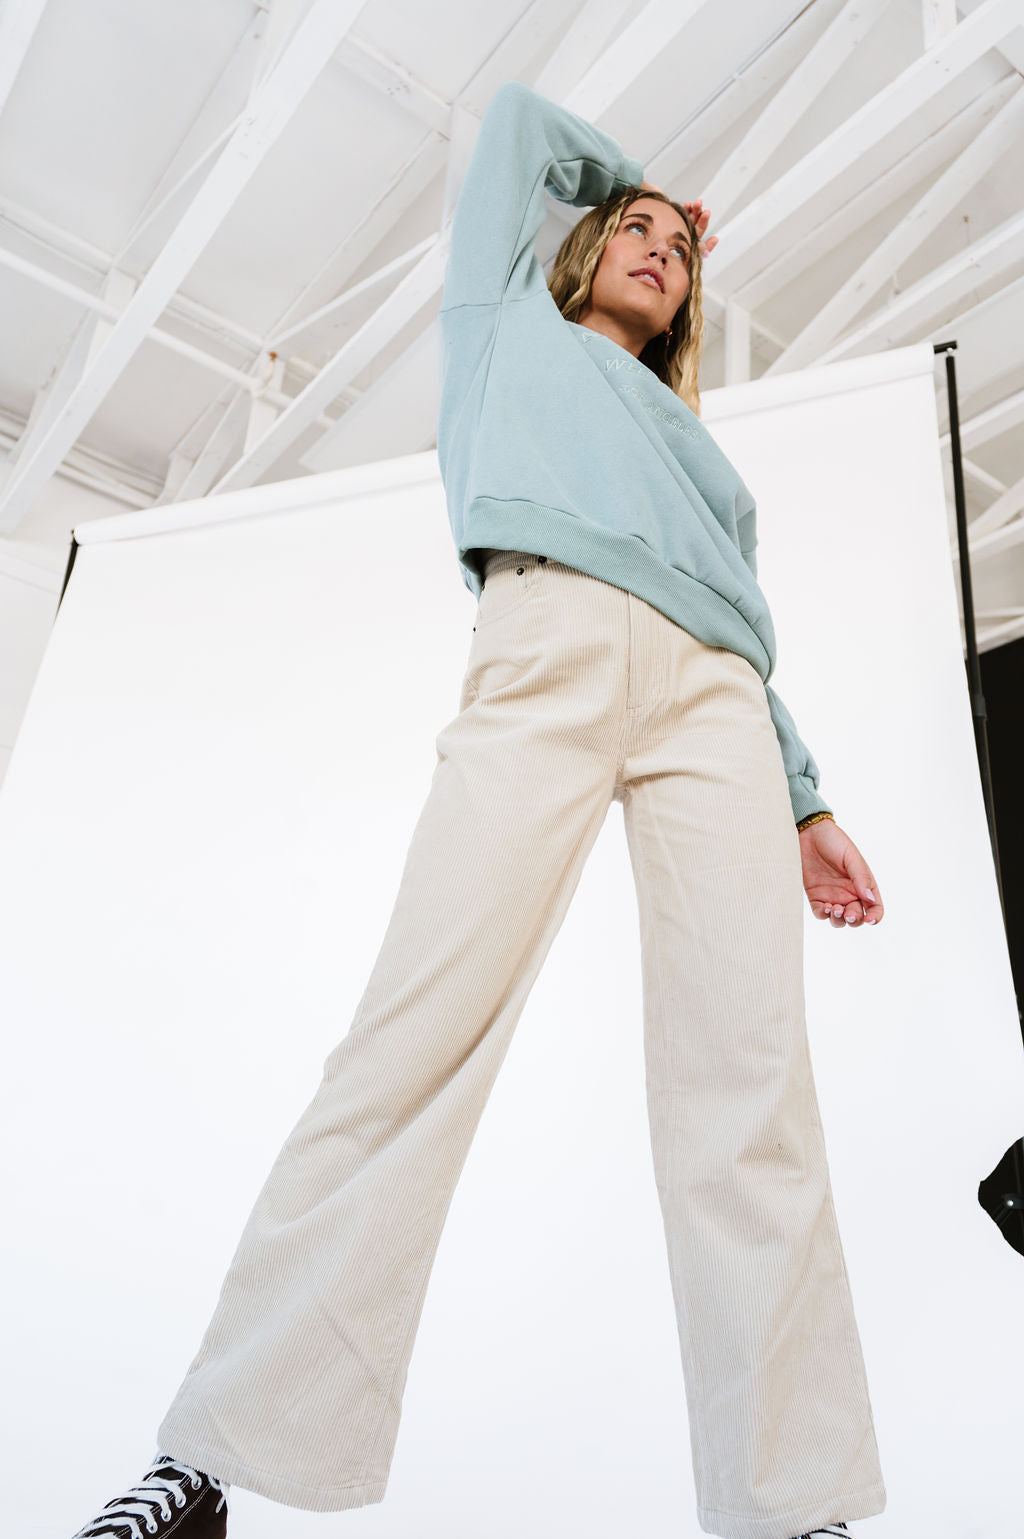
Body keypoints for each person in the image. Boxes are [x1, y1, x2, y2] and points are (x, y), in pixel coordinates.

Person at [70, 80, 887, 1539]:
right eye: (634, 233)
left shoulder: (697, 447)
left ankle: (796, 1508)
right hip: (544, 647)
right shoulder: (503, 320)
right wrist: (652, 184)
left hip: (713, 704)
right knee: (410, 1040)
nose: (659, 252)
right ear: (581, 246)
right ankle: (203, 1465)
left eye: (678, 251)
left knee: (752, 1089)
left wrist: (807, 800)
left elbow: (739, 627)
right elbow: (514, 122)